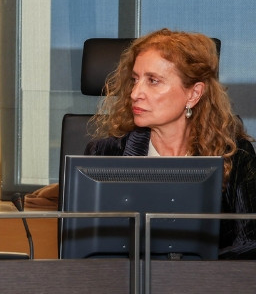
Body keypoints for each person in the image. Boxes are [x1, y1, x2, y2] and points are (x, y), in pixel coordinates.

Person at [85, 28, 256, 259]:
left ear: (193, 94)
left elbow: (249, 244)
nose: (135, 93)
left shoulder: (235, 155)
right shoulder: (104, 153)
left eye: (153, 81)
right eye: (135, 80)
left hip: (207, 289)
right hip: (125, 287)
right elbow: (86, 250)